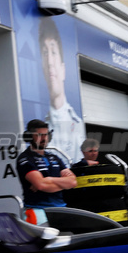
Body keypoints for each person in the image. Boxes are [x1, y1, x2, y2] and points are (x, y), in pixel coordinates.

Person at [38, 17, 85, 161]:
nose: (50, 62)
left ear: (63, 69)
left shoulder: (78, 125)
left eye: (53, 52)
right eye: (45, 53)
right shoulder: (40, 124)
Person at [17, 119, 76, 211]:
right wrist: (63, 184)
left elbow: (72, 182)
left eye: (46, 134)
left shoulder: (54, 157)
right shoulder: (25, 158)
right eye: (40, 135)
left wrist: (49, 179)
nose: (44, 138)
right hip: (37, 210)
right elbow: (41, 185)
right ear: (29, 137)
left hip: (61, 208)